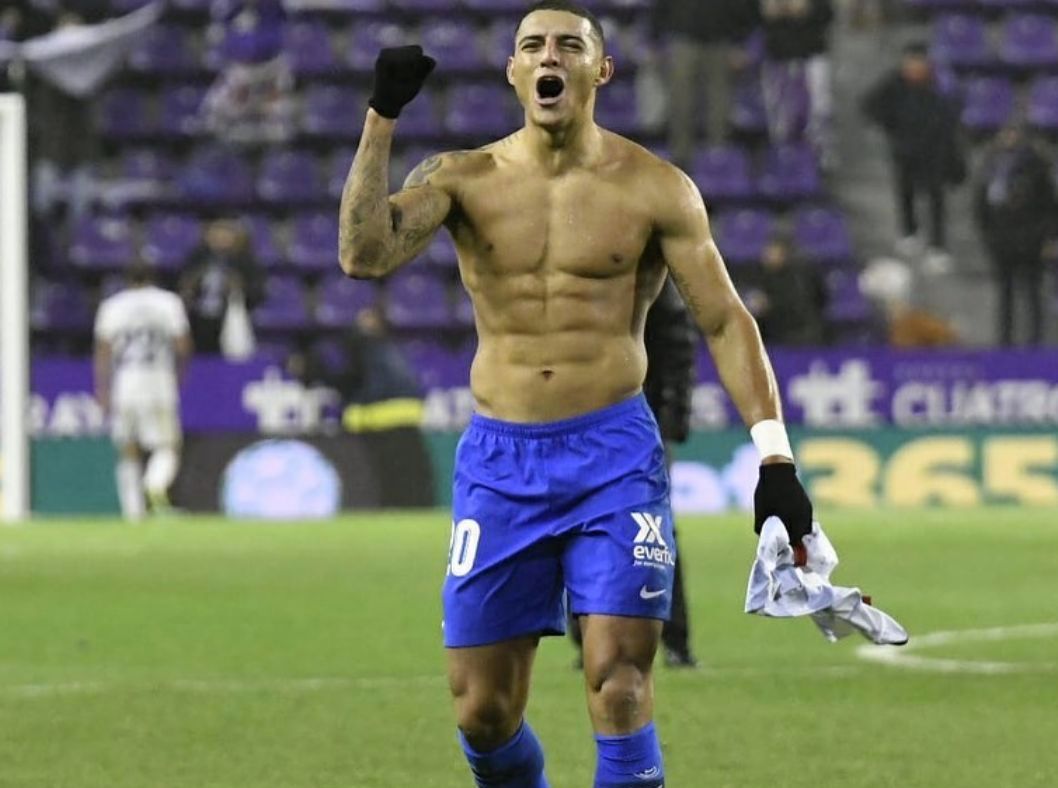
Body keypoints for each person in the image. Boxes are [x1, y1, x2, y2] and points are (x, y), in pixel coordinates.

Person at [338, 3, 815, 785]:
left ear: (602, 70)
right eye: (532, 45)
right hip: (501, 461)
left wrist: (776, 460)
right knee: (483, 711)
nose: (549, 56)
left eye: (569, 45)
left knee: (620, 683)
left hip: (613, 456)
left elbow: (725, 320)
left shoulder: (657, 187)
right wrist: (381, 117)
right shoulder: (461, 178)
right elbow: (363, 255)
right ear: (514, 72)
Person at [567, 279, 700, 670]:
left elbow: (677, 343)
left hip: (641, 421)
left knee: (652, 529)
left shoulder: (644, 269)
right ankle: (588, 638)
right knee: (581, 526)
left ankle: (674, 639)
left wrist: (673, 415)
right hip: (579, 422)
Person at [94, 262, 192, 521]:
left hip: (125, 383)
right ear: (153, 278)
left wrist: (102, 389)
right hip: (159, 380)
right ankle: (154, 484)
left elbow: (103, 351)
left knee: (127, 447)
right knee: (168, 445)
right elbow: (182, 345)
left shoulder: (112, 306)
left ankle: (132, 511)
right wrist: (180, 375)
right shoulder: (169, 302)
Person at [862, 42, 965, 274]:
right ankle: (909, 232)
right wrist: (890, 127)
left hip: (934, 150)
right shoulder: (894, 83)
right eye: (910, 61)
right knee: (905, 191)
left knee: (936, 198)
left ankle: (938, 245)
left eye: (919, 61)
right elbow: (870, 105)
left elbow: (953, 109)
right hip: (905, 149)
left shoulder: (940, 83)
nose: (914, 66)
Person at [973, 125, 1058, 346]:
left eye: (1013, 132)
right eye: (1005, 132)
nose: (1008, 137)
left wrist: (1048, 238)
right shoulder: (991, 166)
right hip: (1002, 242)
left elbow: (1050, 207)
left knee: (1032, 293)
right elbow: (981, 207)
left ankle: (1035, 342)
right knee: (1005, 295)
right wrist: (989, 237)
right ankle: (1005, 342)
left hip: (1031, 241)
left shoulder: (1037, 166)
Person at [649, 0, 759, 166]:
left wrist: (740, 43)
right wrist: (655, 38)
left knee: (719, 103)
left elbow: (744, 6)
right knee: (681, 102)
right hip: (684, 39)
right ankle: (681, 157)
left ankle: (717, 156)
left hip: (721, 41)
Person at [759, 0, 835, 165]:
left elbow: (828, 14)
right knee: (779, 113)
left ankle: (819, 159)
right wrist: (767, 10)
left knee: (818, 109)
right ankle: (782, 158)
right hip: (778, 56)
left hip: (811, 54)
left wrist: (808, 8)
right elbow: (751, 15)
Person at [179, 218, 263, 356]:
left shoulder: (244, 261)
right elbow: (183, 284)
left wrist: (240, 289)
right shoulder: (197, 257)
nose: (220, 238)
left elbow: (257, 291)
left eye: (225, 234)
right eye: (216, 233)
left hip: (230, 317)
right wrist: (191, 285)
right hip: (198, 317)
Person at [745, 233, 828, 345]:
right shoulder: (762, 274)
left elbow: (813, 300)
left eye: (772, 252)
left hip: (799, 332)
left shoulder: (799, 275)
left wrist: (769, 305)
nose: (767, 255)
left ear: (784, 254)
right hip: (774, 333)